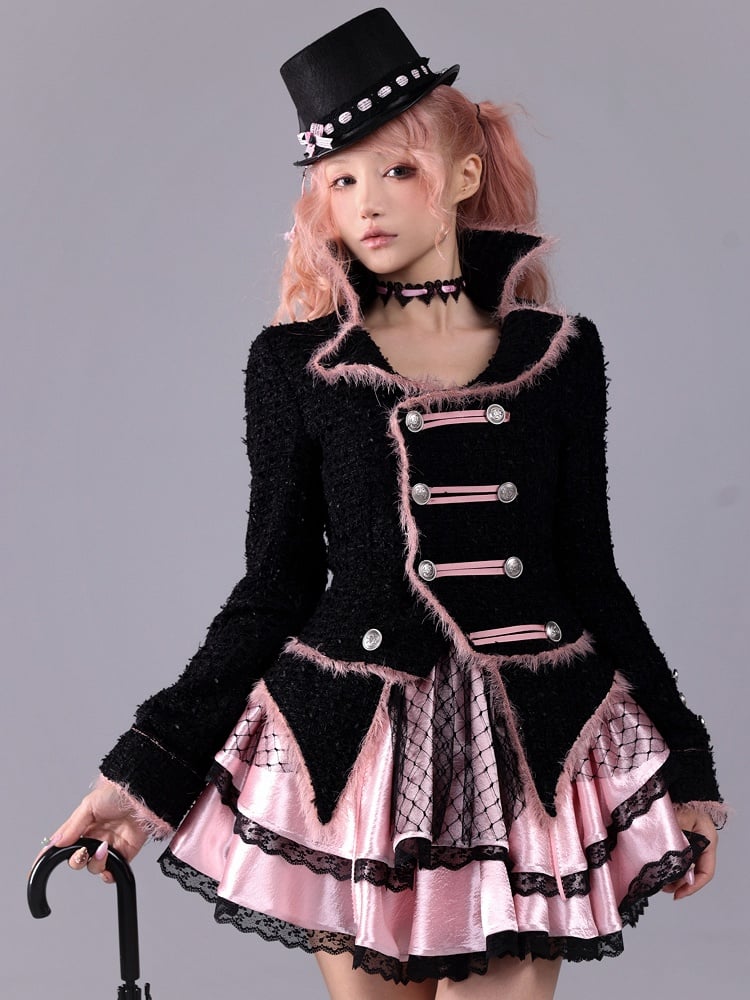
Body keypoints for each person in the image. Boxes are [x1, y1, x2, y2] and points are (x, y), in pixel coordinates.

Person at [42, 9, 724, 999]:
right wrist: (138, 778)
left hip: (531, 751)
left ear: (463, 175)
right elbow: (272, 588)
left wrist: (689, 764)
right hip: (356, 756)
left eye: (396, 170)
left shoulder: (563, 354)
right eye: (341, 179)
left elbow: (591, 570)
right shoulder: (293, 366)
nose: (366, 203)